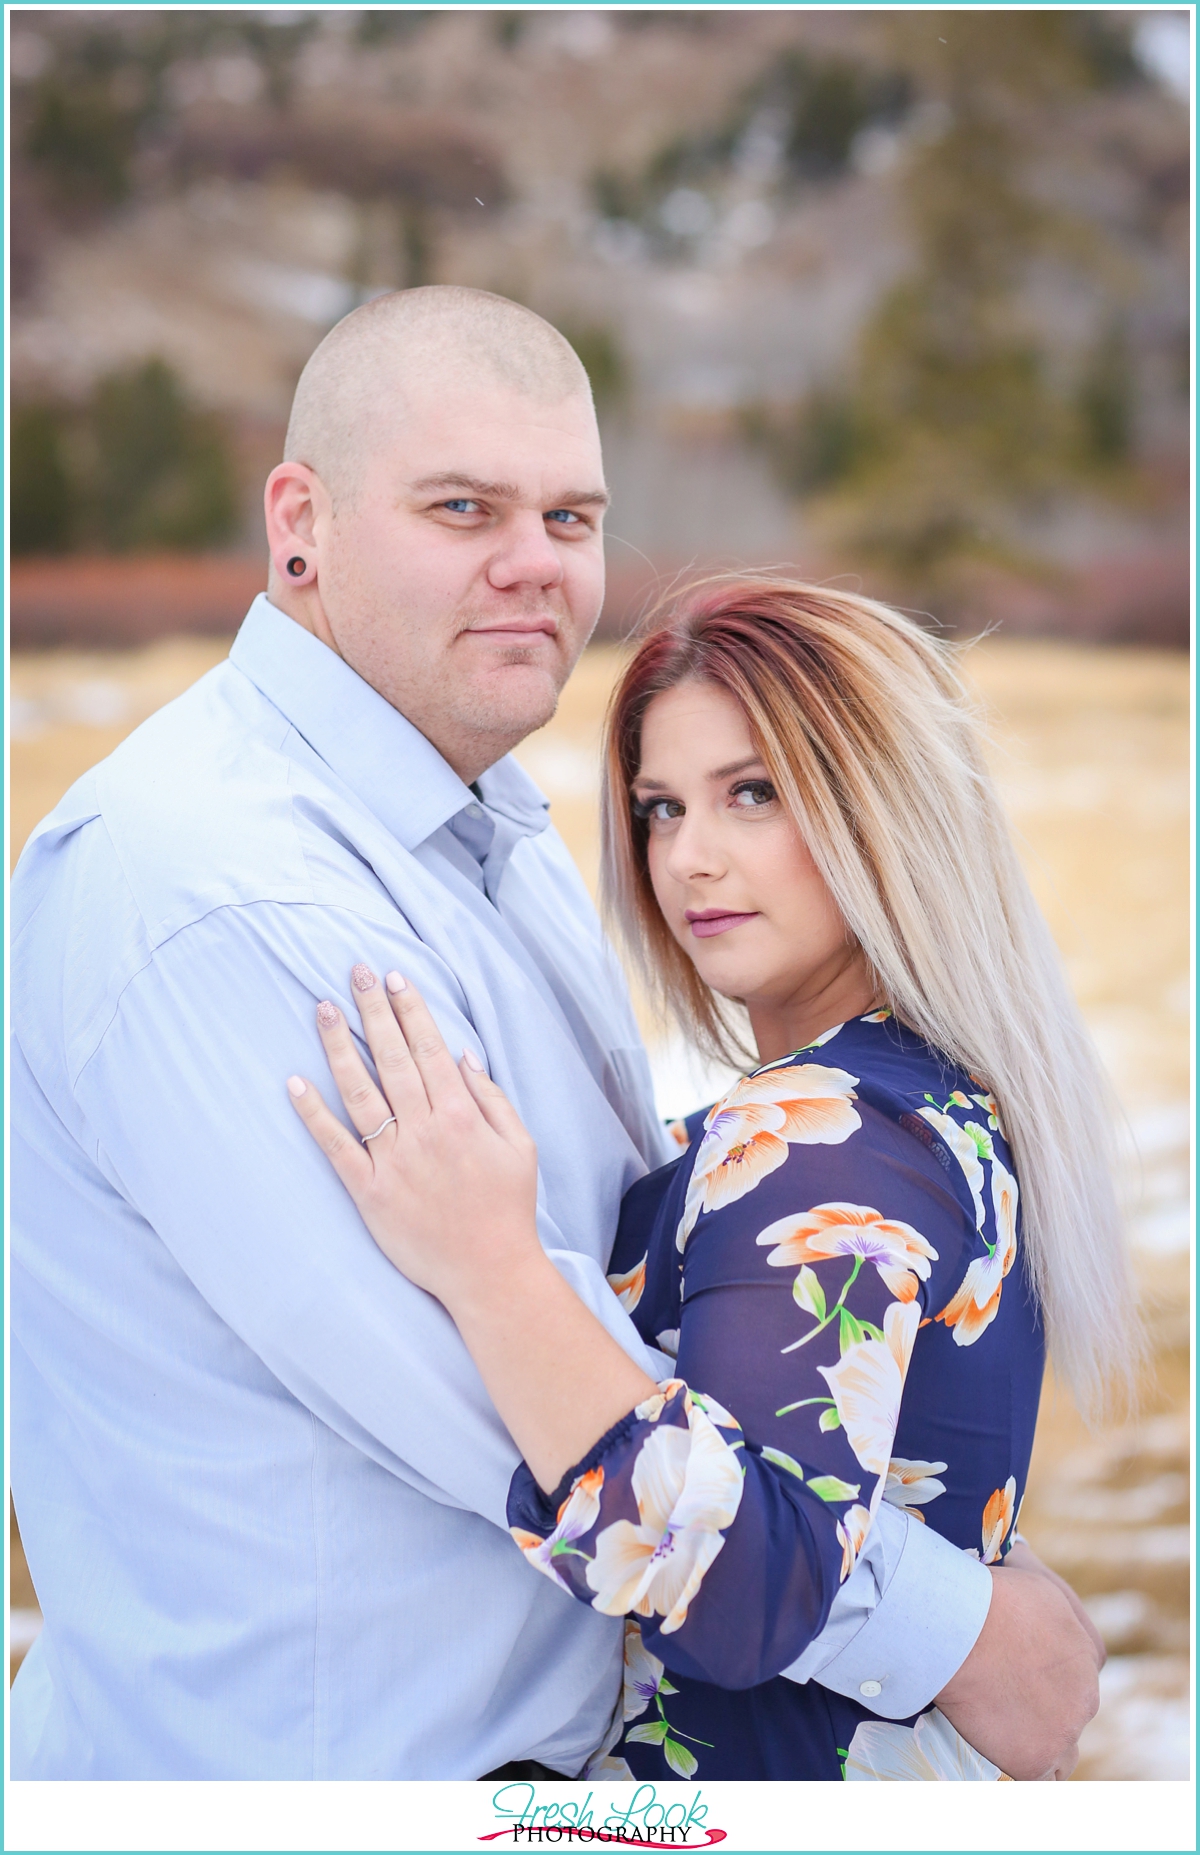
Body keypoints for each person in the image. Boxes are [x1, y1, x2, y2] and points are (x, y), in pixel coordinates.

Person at [11, 288, 1098, 1780]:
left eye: (573, 517)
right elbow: (490, 1395)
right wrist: (954, 1628)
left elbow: (640, 1316)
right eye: (463, 508)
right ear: (301, 522)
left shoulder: (494, 841)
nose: (534, 566)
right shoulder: (214, 884)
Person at [285, 575, 1129, 1780]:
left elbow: (752, 1574)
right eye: (660, 807)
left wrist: (492, 1269)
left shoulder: (821, 1129)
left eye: (753, 794)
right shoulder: (928, 1096)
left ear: (883, 802)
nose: (689, 858)